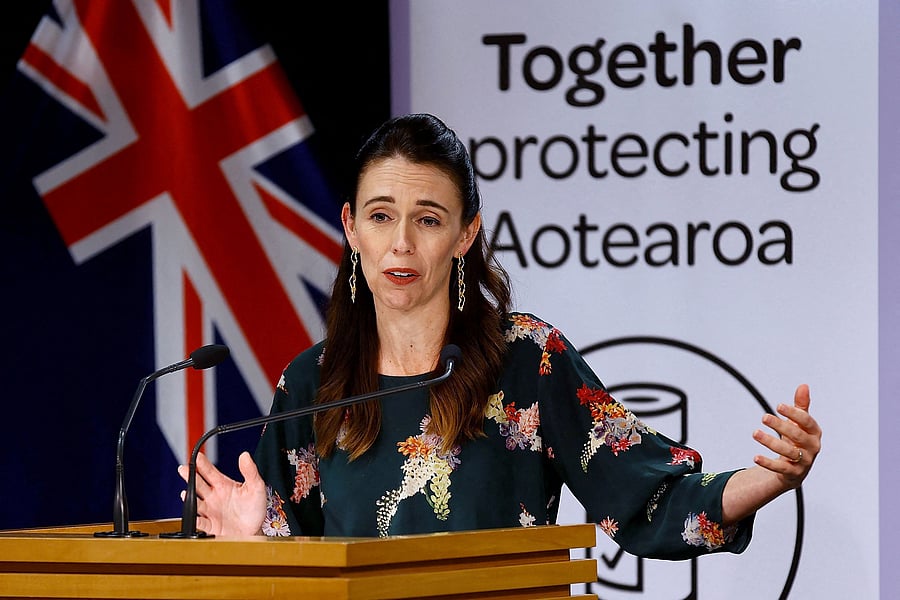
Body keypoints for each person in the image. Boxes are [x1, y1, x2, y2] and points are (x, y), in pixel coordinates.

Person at [179, 112, 821, 559]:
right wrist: (252, 541)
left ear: (466, 235)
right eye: (380, 216)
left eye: (428, 219)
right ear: (351, 227)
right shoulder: (312, 384)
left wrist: (769, 481)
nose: (401, 243)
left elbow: (646, 496)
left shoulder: (528, 361)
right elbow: (295, 566)